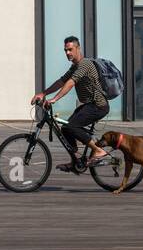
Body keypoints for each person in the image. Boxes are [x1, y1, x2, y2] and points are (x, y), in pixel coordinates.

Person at [31, 35, 110, 171]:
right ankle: (75, 161)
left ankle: (98, 150)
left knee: (73, 126)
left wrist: (54, 99)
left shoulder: (85, 64)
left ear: (78, 48)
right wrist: (43, 93)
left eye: (70, 49)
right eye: (65, 50)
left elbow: (70, 83)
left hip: (98, 105)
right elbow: (61, 81)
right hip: (88, 105)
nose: (67, 53)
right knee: (66, 128)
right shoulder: (75, 66)